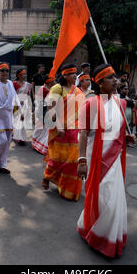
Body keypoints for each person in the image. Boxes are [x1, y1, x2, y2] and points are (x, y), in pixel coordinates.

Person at [77, 64, 135, 258]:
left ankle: (108, 236)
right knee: (101, 197)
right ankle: (96, 232)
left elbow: (117, 130)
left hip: (114, 160)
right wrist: (82, 160)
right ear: (100, 82)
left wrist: (126, 137)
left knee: (113, 198)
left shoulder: (120, 103)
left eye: (115, 77)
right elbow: (83, 133)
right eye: (110, 78)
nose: (115, 80)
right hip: (96, 158)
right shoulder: (91, 104)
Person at [42, 64, 85, 201]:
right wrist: (59, 126)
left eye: (75, 73)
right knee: (57, 159)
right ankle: (47, 176)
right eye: (72, 73)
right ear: (65, 75)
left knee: (72, 161)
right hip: (59, 130)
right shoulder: (57, 88)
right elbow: (51, 109)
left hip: (75, 130)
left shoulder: (77, 91)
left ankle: (68, 190)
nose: (74, 75)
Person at [32, 76, 56, 156]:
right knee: (40, 129)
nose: (54, 83)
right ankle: (36, 143)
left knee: (44, 130)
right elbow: (39, 102)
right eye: (53, 81)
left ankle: (39, 144)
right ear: (49, 82)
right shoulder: (43, 89)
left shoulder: (49, 89)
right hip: (42, 111)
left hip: (45, 111)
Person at [12, 69, 32, 146]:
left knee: (23, 122)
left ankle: (22, 138)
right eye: (23, 74)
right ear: (19, 75)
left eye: (25, 74)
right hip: (16, 104)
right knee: (18, 121)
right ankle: (17, 136)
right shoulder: (14, 84)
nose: (24, 76)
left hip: (25, 104)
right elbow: (12, 94)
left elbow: (28, 95)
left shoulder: (28, 85)